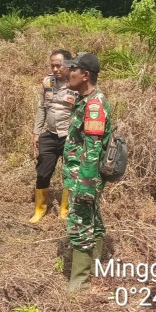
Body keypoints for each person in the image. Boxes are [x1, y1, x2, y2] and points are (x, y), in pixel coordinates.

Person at [62, 53, 112, 292]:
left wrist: (85, 185)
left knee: (80, 220)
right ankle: (95, 268)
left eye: (73, 70)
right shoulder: (84, 101)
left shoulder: (94, 105)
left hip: (84, 177)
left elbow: (92, 150)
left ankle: (79, 282)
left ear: (86, 75)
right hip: (80, 174)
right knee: (93, 217)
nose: (68, 73)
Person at [30, 49, 78, 223]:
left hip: (69, 137)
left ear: (68, 65)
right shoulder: (47, 82)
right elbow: (42, 107)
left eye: (59, 65)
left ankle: (65, 210)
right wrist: (36, 132)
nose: (55, 69)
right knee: (42, 173)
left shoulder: (76, 83)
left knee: (69, 174)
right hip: (49, 135)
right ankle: (40, 209)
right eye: (52, 65)